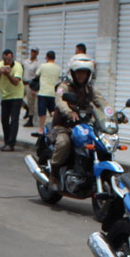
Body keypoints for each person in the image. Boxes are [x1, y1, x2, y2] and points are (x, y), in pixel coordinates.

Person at [48, 54, 111, 193]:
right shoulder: (62, 86)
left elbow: (102, 102)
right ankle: (54, 175)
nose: (82, 75)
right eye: (79, 72)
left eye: (85, 72)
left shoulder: (89, 89)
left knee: (99, 143)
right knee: (64, 143)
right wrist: (68, 111)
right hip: (63, 126)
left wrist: (114, 114)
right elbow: (59, 100)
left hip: (84, 126)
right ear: (72, 73)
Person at [0, 49, 24, 152]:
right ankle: (6, 142)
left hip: (16, 96)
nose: (7, 62)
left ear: (12, 58)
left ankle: (11, 144)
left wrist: (8, 75)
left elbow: (16, 82)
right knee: (4, 120)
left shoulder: (18, 66)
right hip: (5, 96)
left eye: (9, 60)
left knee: (14, 120)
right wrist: (0, 73)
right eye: (5, 59)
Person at [35, 50, 61, 133]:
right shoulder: (58, 68)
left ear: (47, 57)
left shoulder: (43, 66)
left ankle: (41, 128)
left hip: (43, 92)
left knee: (42, 112)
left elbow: (37, 74)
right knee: (52, 111)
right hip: (53, 93)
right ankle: (54, 126)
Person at [23, 47, 40, 127]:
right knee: (18, 98)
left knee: (31, 102)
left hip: (31, 84)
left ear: (37, 54)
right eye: (32, 51)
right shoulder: (25, 62)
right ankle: (25, 108)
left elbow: (38, 76)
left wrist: (35, 87)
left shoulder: (37, 64)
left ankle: (30, 119)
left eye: (35, 52)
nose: (33, 53)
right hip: (23, 83)